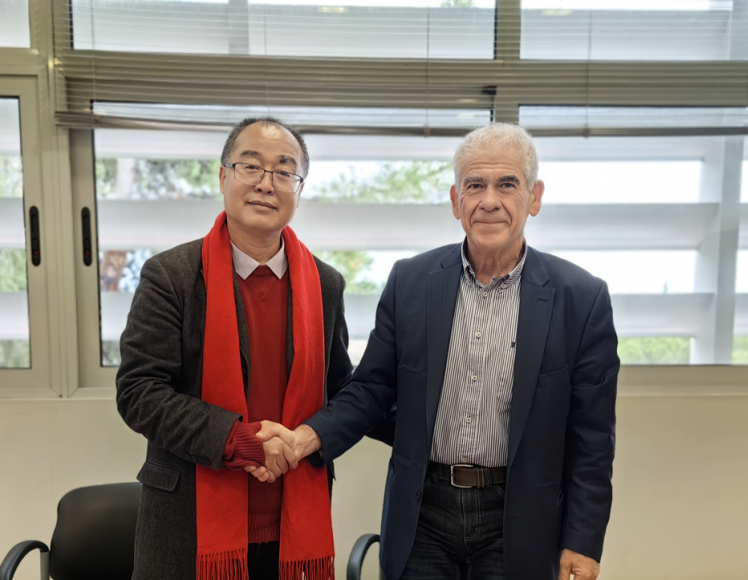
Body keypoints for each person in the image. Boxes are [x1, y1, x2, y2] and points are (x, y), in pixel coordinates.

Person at [254, 123, 619, 580]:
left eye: (507, 184)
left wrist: (582, 542)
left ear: (535, 197)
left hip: (520, 518)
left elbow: (591, 440)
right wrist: (305, 438)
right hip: (422, 513)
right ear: (455, 200)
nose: (489, 201)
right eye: (475, 185)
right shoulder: (410, 281)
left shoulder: (581, 297)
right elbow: (371, 390)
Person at [116, 117, 352, 580]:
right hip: (189, 529)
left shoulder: (326, 284)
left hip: (291, 530)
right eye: (251, 166)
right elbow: (139, 392)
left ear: (299, 189)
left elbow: (342, 393)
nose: (266, 183)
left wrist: (305, 439)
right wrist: (240, 443)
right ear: (223, 176)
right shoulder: (171, 276)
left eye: (284, 171)